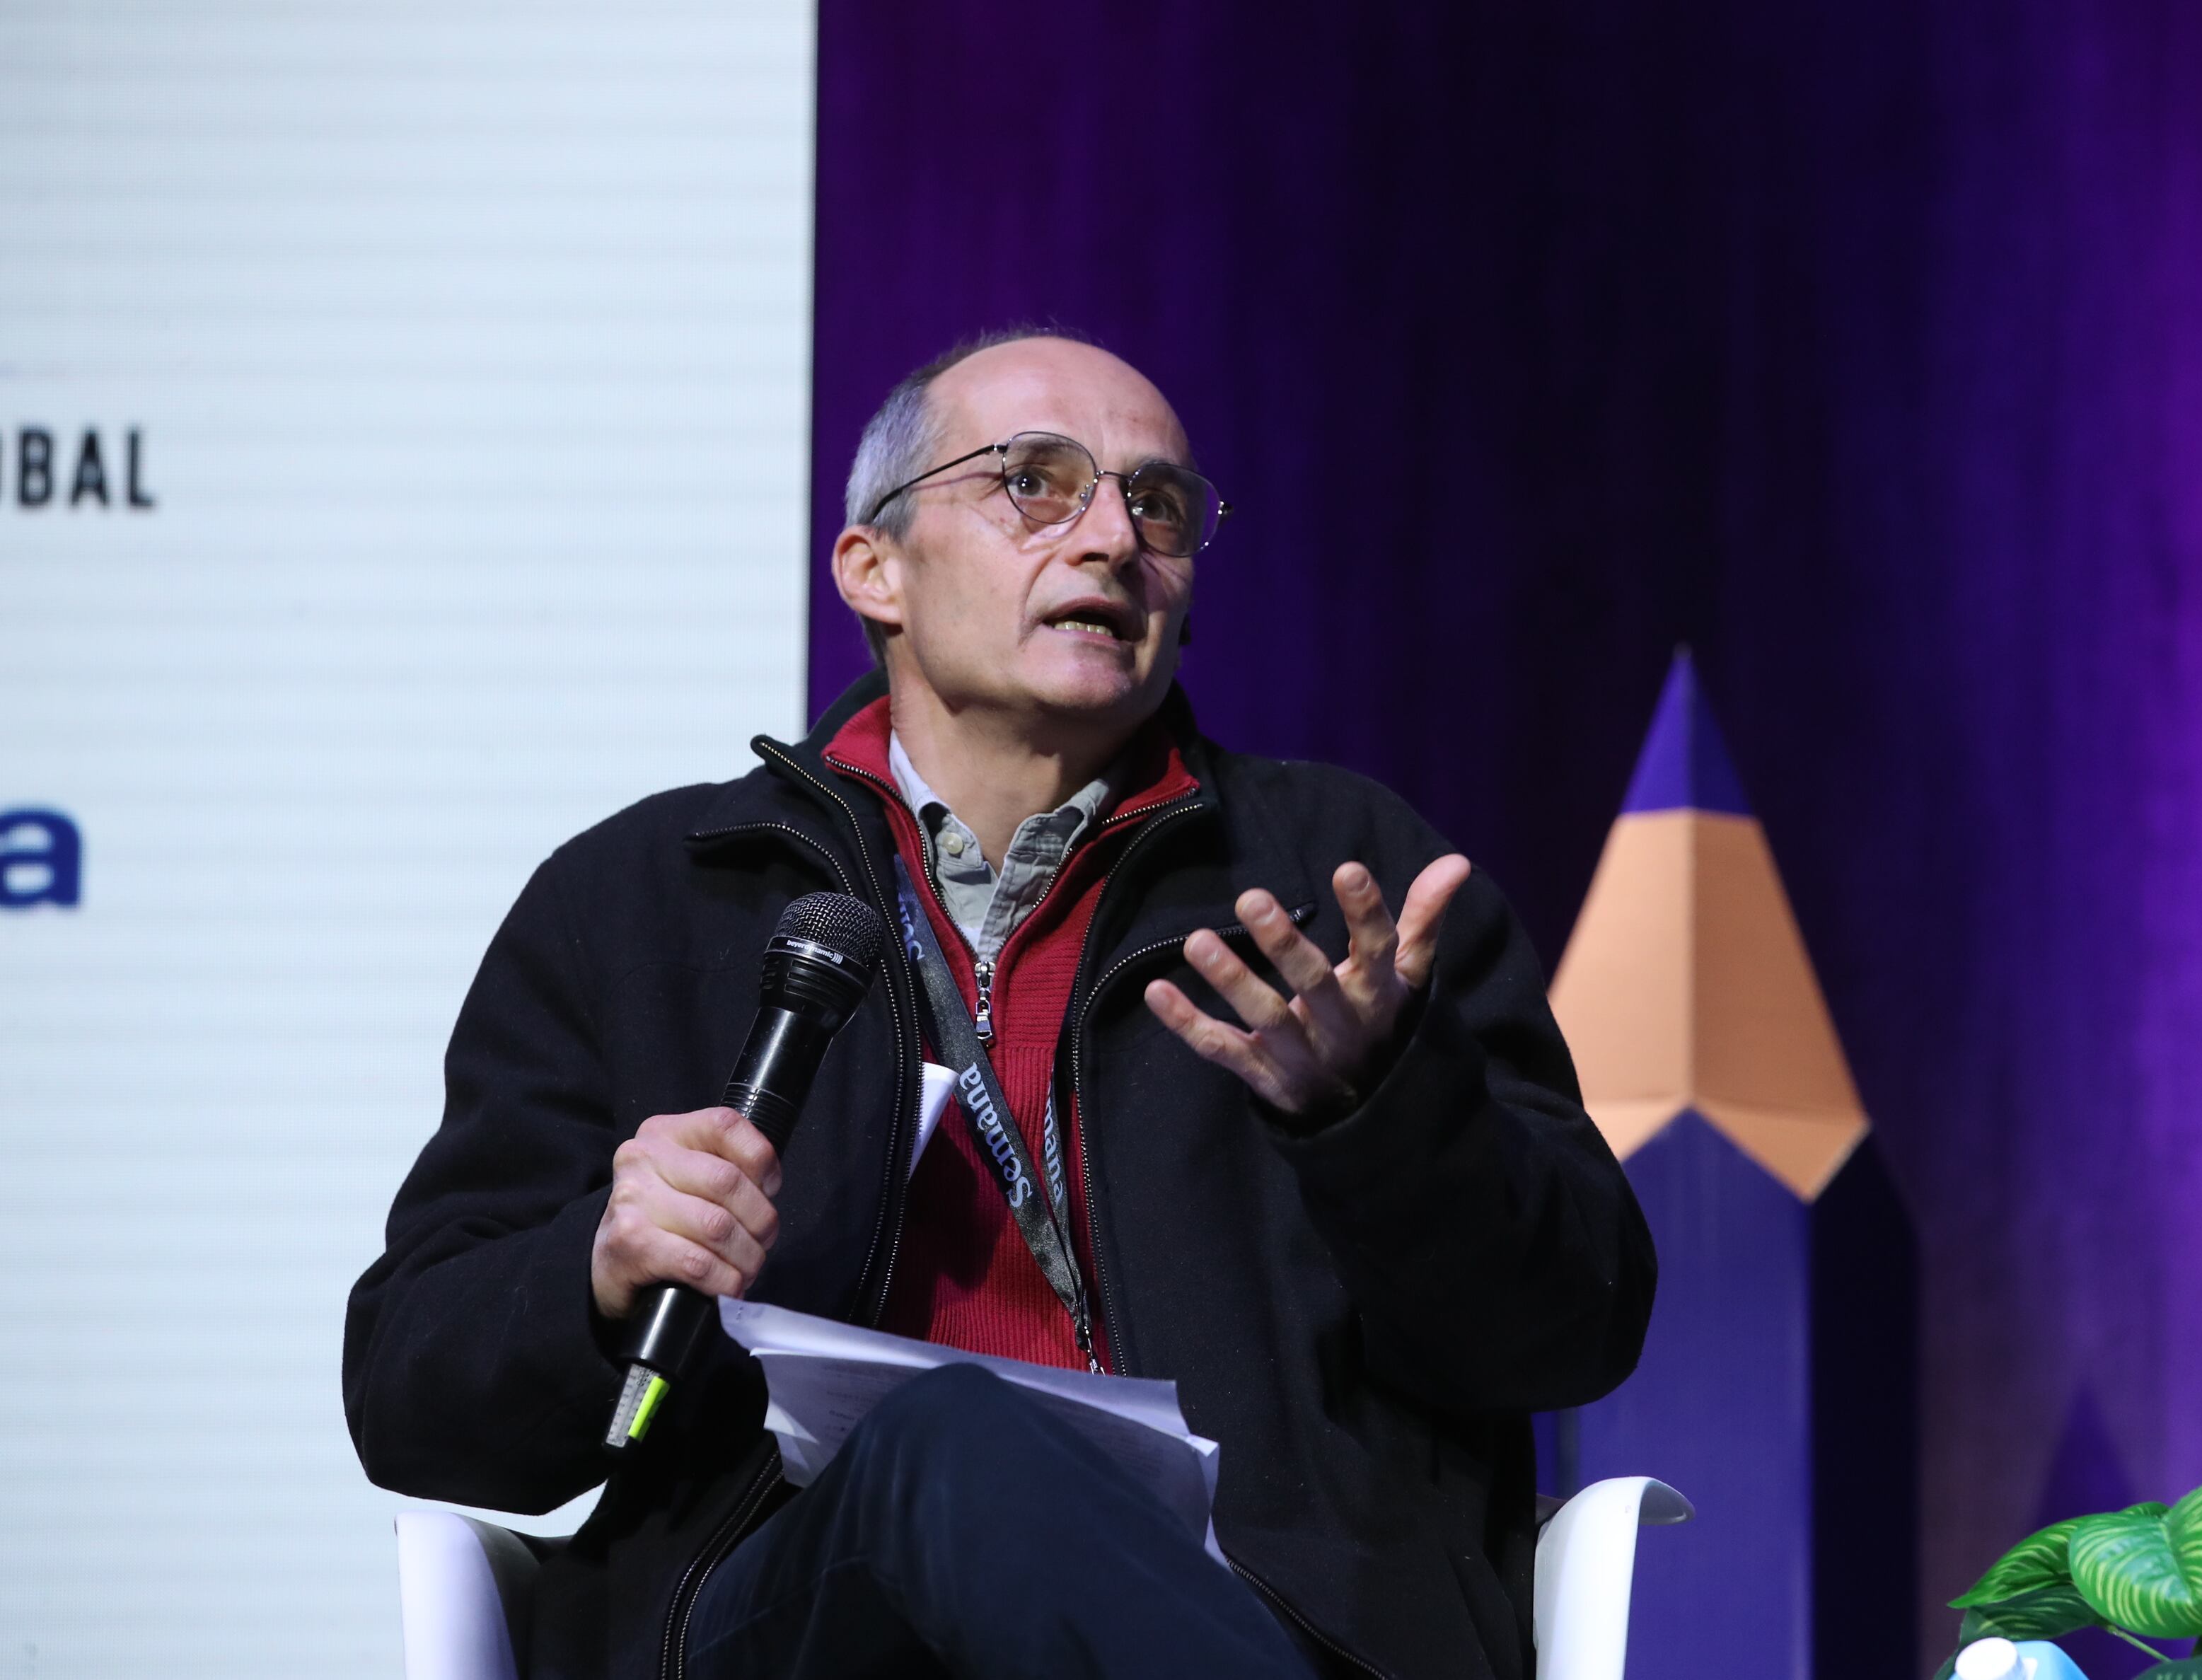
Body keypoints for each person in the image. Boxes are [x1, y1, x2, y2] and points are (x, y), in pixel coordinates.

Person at [344, 330, 1656, 1680]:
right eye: (1036, 482)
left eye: (1158, 506)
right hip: (797, 1621)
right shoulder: (647, 899)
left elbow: (1569, 1329)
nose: (1110, 539)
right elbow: (410, 1399)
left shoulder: (1338, 891)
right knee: (950, 1449)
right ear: (875, 568)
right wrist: (602, 1271)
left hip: (1250, 1613)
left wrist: (1381, 1123)